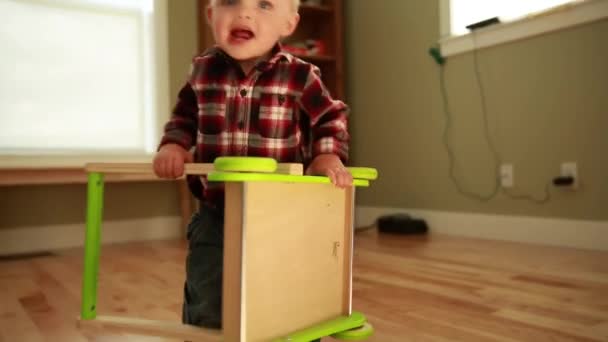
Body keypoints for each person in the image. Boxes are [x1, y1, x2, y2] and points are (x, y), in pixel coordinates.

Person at [153, 0, 352, 333]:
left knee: (286, 284)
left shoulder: (300, 75)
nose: (244, 13)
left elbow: (330, 118)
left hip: (282, 211)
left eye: (263, 5)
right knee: (208, 282)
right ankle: (208, 335)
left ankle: (292, 331)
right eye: (230, 2)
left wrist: (326, 155)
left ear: (288, 24)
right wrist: (174, 144)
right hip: (217, 209)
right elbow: (184, 116)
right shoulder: (202, 71)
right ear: (210, 14)